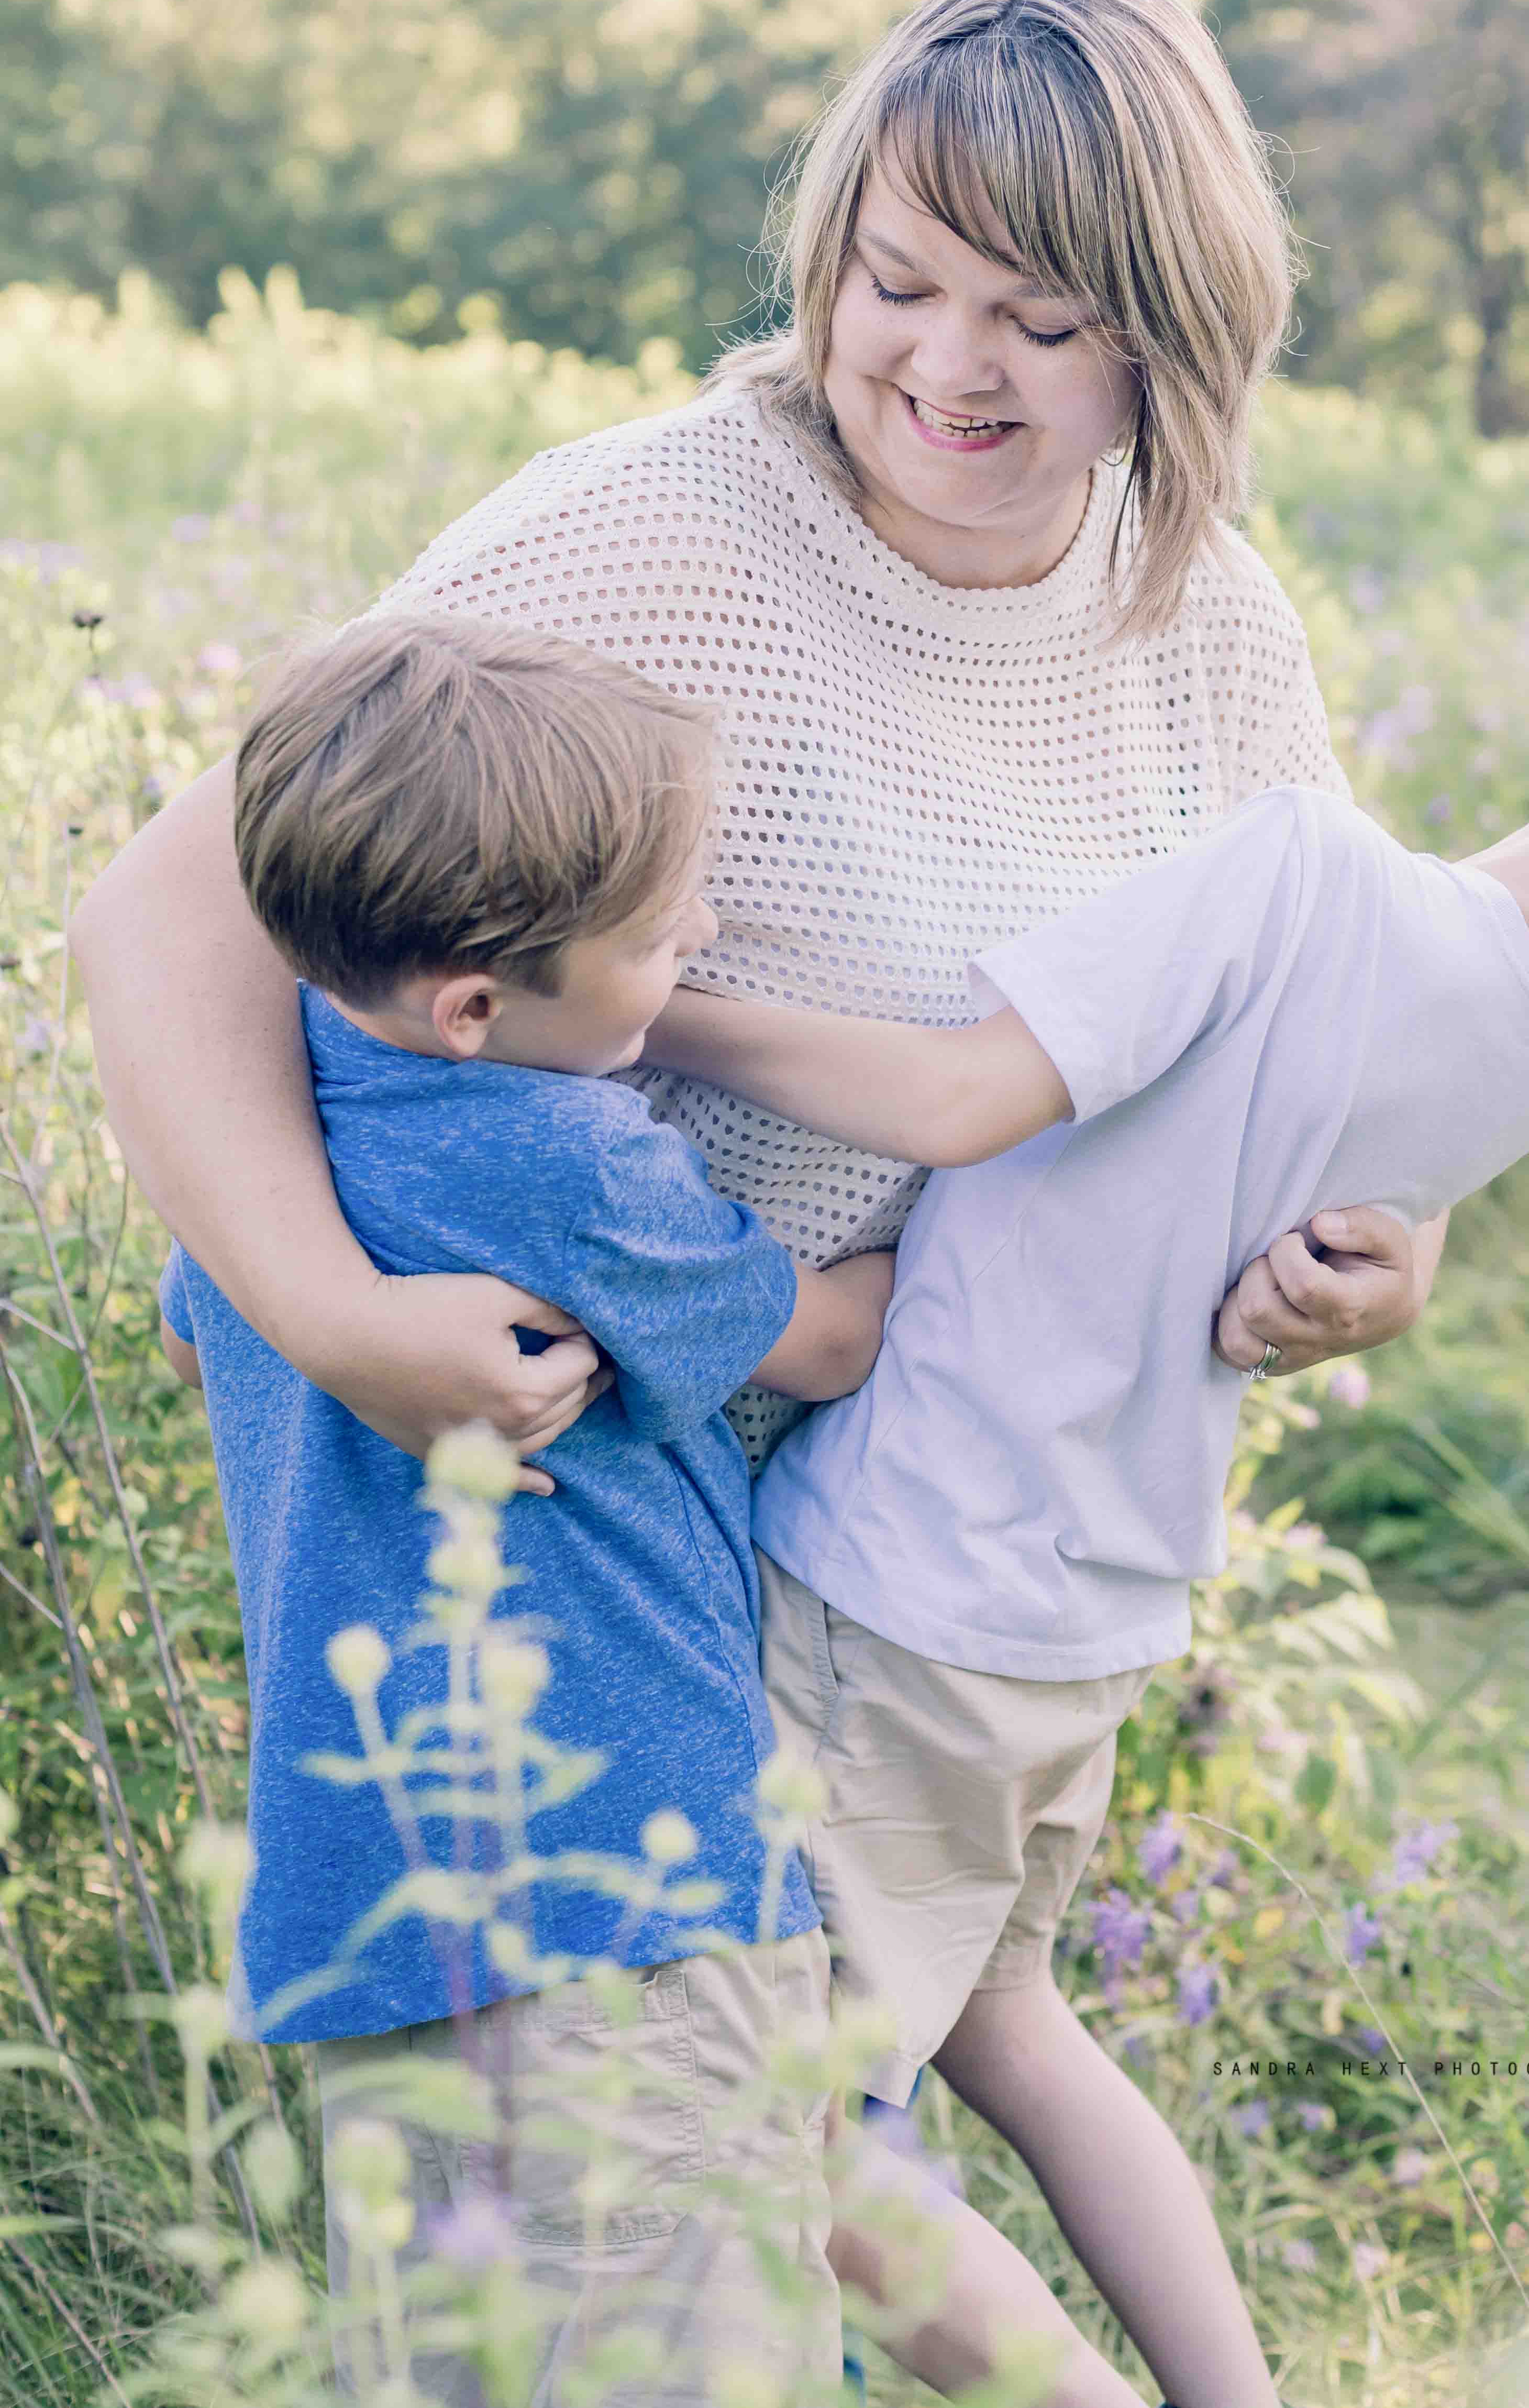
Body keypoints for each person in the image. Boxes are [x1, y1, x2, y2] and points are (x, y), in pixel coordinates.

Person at [76, 0, 1446, 2405]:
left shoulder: (1199, 616)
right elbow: (179, 903)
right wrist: (324, 1310)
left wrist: (1375, 1243)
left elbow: (1312, 1013)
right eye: (891, 284)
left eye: (1035, 317)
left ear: (1173, 334)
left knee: (800, 2161)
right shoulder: (658, 537)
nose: (940, 365)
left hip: (928, 1534)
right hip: (607, 1517)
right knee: (684, 2183)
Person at [643, 642, 1529, 2398]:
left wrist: (638, 1001)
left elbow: (958, 1097)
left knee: (786, 2137)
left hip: (912, 1581)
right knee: (1014, 2023)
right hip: (1103, 1612)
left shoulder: (1299, 868)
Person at [151, 613, 1150, 2408]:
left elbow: (185, 1325)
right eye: (658, 932)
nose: (696, 943)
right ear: (479, 1006)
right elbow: (828, 1338)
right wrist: (1000, 1209)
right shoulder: (575, 1160)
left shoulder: (276, 1126)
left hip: (371, 1882)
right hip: (627, 1874)